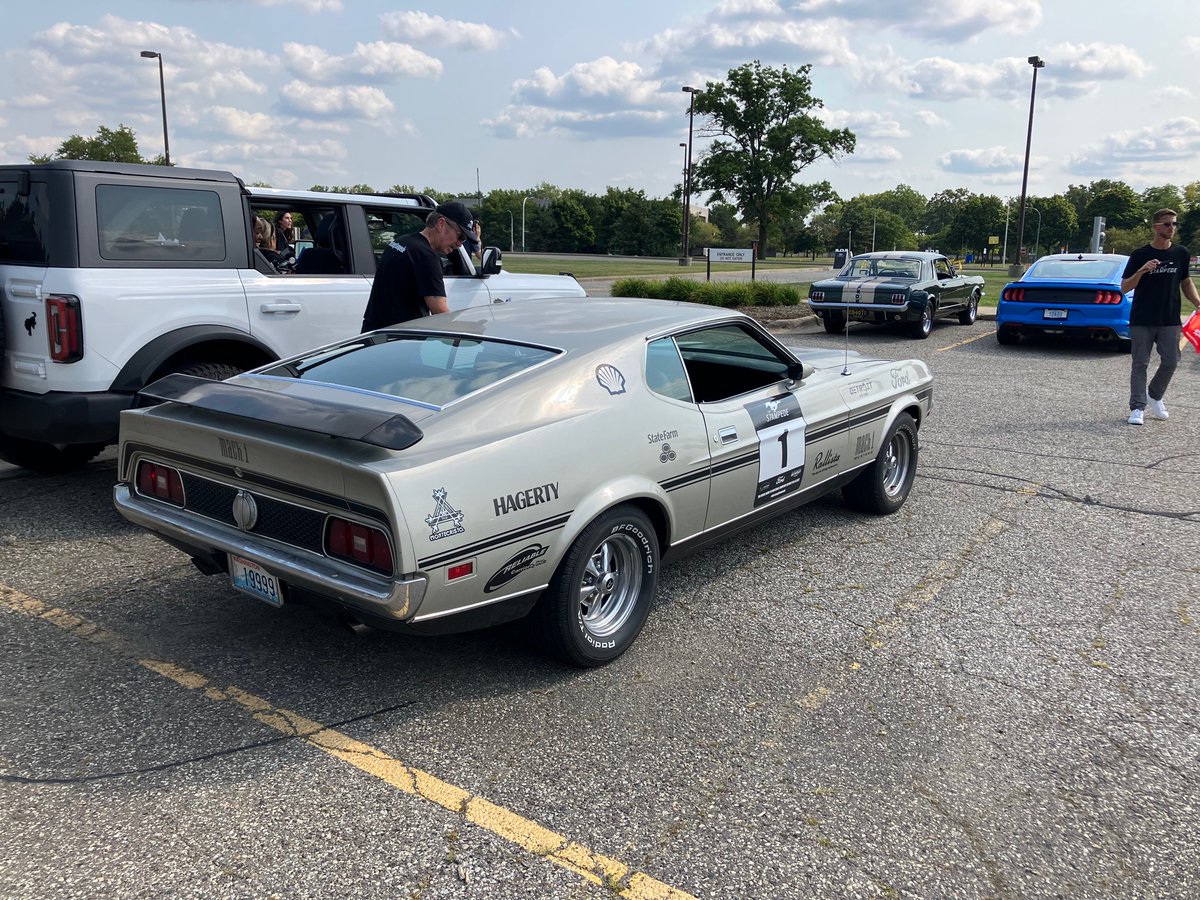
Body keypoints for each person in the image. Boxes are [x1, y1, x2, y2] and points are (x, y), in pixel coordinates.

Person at [1120, 209, 1200, 425]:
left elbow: (1186, 282)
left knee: (1172, 361)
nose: (1171, 228)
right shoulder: (1139, 255)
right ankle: (1137, 407)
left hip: (1170, 319)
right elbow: (1124, 286)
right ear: (1155, 227)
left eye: (1174, 224)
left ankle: (1154, 395)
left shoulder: (1181, 253)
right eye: (1167, 224)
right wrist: (1142, 271)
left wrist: (1198, 303)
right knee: (1140, 364)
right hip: (1142, 318)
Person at [361, 201, 475, 330]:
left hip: (373, 334)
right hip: (400, 341)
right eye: (461, 236)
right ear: (441, 224)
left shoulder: (401, 242)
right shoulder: (426, 257)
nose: (460, 244)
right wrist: (470, 330)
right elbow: (440, 313)